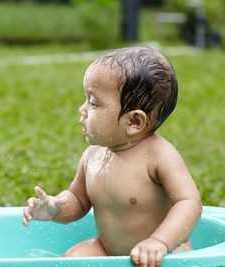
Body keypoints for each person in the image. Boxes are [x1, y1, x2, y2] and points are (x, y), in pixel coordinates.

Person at [22, 47, 202, 267]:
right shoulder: (92, 156)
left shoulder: (158, 156)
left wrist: (159, 242)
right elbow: (78, 201)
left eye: (93, 103)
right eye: (86, 99)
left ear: (134, 122)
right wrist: (55, 208)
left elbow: (188, 202)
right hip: (109, 251)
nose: (82, 109)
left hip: (164, 254)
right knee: (71, 261)